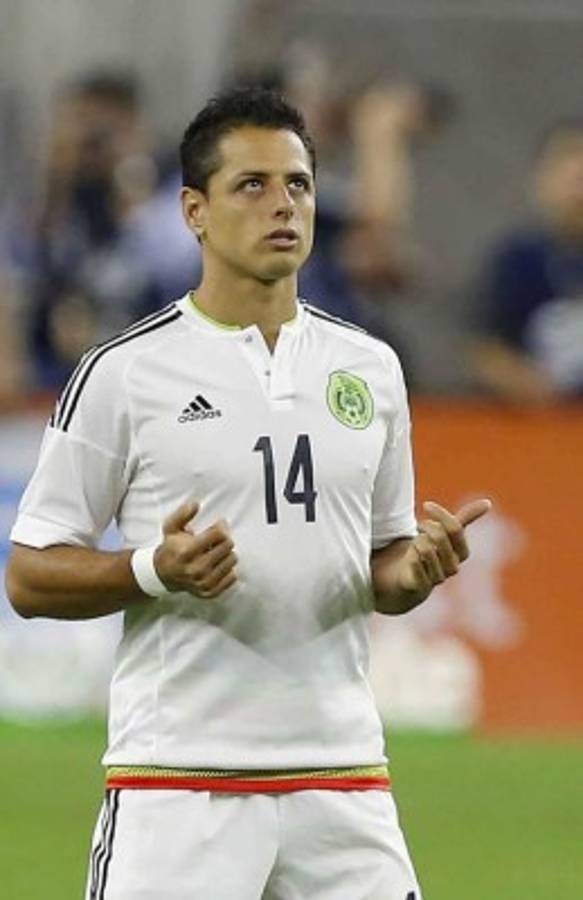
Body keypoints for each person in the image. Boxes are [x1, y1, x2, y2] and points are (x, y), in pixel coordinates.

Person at [6, 87, 490, 900]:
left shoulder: (369, 369)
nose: (282, 205)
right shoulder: (125, 373)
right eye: (252, 185)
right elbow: (28, 576)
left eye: (297, 184)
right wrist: (154, 569)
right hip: (178, 784)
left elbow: (381, 565)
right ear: (194, 211)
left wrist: (413, 571)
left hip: (342, 780)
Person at [473, 118, 583, 404]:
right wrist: (524, 383)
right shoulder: (519, 258)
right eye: (567, 166)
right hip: (538, 417)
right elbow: (486, 348)